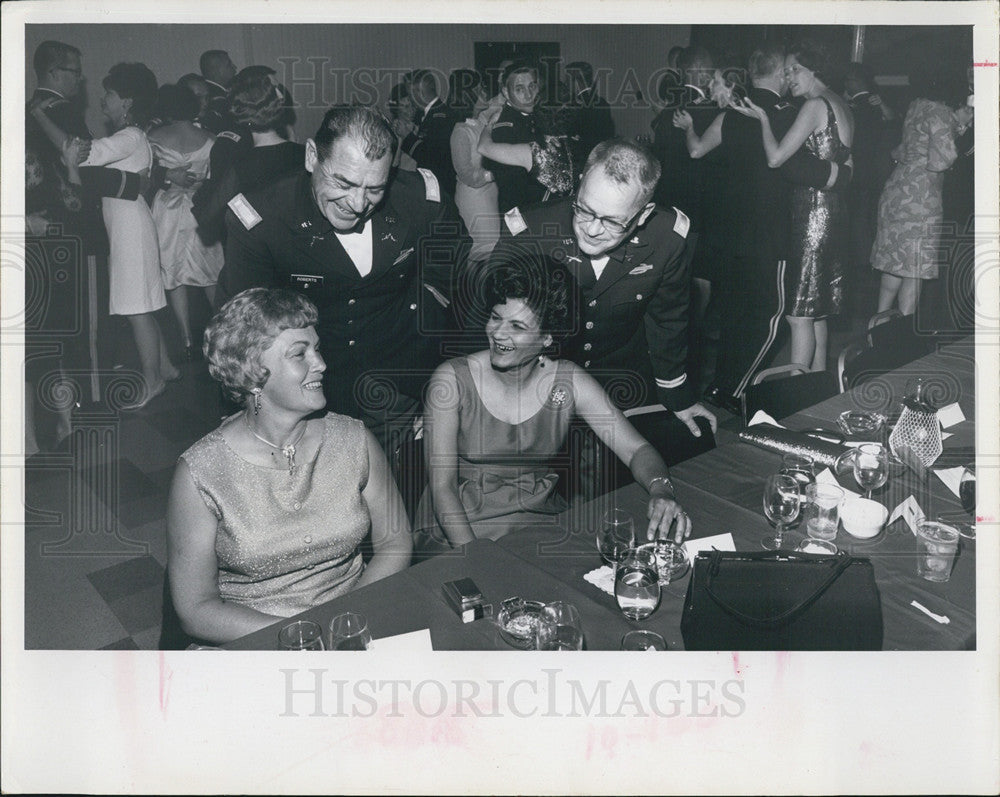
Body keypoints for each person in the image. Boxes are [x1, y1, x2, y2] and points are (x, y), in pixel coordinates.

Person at [166, 288, 412, 644]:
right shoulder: (201, 472)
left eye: (317, 348)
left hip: (355, 623)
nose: (321, 363)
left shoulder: (354, 438)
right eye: (300, 354)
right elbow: (196, 609)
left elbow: (396, 542)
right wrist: (303, 636)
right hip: (255, 641)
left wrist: (345, 621)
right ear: (252, 372)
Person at [218, 104, 468, 449]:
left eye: (374, 189)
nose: (357, 202)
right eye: (343, 182)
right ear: (311, 157)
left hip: (399, 389)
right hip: (309, 398)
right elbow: (246, 330)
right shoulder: (262, 221)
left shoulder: (421, 203)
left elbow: (452, 288)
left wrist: (441, 386)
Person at [417, 256, 692, 550]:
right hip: (454, 526)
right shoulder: (451, 379)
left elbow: (636, 448)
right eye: (496, 317)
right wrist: (476, 556)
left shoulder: (569, 381)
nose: (498, 333)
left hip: (535, 519)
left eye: (517, 326)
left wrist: (661, 489)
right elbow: (442, 486)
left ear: (547, 337)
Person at [487, 138, 717, 478]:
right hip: (542, 377)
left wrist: (678, 396)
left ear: (643, 215)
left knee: (624, 484)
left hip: (622, 374)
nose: (592, 230)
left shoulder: (667, 239)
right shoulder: (529, 232)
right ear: (579, 185)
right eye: (584, 209)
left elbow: (667, 321)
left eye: (612, 222)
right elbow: (496, 326)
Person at [673, 47, 850, 413]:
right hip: (776, 235)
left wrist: (690, 128)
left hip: (730, 234)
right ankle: (746, 390)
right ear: (778, 74)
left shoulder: (729, 115)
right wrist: (842, 173)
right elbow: (802, 169)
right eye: (786, 71)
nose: (789, 77)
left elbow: (697, 153)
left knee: (738, 314)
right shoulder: (788, 113)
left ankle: (730, 384)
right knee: (778, 315)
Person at [31, 62, 179, 409]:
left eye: (109, 94)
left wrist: (39, 116)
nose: (102, 99)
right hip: (128, 224)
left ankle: (153, 380)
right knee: (140, 303)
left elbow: (81, 153)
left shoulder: (129, 137)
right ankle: (167, 367)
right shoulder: (130, 136)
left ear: (126, 102)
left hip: (130, 228)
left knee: (135, 309)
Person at [734, 41, 854, 373]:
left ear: (815, 68)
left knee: (798, 312)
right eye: (785, 71)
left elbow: (775, 159)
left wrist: (762, 119)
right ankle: (819, 387)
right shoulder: (840, 103)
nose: (788, 77)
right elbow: (848, 170)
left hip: (811, 215)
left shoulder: (814, 106)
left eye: (794, 69)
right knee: (816, 312)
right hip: (833, 211)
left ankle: (796, 394)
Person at [871, 68, 971, 316]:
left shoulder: (917, 105)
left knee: (893, 264)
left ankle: (876, 330)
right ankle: (904, 335)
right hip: (920, 198)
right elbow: (941, 160)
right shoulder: (941, 113)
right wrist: (961, 126)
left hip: (896, 191)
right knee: (915, 269)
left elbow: (909, 147)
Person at [148, 83, 223, 359]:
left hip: (166, 209)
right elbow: (216, 177)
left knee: (173, 273)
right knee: (210, 273)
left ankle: (187, 338)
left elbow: (147, 171)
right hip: (198, 208)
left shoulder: (154, 136)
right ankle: (222, 333)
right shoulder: (210, 137)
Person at [191, 66, 305, 246]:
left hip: (256, 251)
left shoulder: (243, 164)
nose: (281, 94)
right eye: (273, 89)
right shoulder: (303, 154)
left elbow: (208, 213)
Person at [481, 61, 549, 213]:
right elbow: (515, 188)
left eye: (532, 86)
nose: (529, 94)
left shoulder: (538, 117)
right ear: (505, 92)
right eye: (519, 89)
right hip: (524, 214)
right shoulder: (505, 128)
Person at [448, 69, 501, 263]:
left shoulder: (480, 122)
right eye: (480, 89)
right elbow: (467, 175)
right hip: (474, 198)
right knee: (483, 250)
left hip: (489, 194)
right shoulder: (460, 132)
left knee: (493, 249)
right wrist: (496, 173)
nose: (485, 92)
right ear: (468, 95)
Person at [400, 69, 458, 194]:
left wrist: (407, 137)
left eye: (410, 95)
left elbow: (432, 157)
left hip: (441, 185)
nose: (410, 100)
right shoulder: (434, 113)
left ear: (418, 92)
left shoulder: (439, 117)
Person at [564, 60, 615, 181]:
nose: (565, 84)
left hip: (581, 165)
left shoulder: (574, 105)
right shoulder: (602, 102)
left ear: (574, 81)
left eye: (567, 80)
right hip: (601, 162)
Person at [198, 49, 238, 134]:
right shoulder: (218, 100)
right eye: (229, 65)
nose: (235, 67)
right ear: (216, 71)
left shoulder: (212, 93)